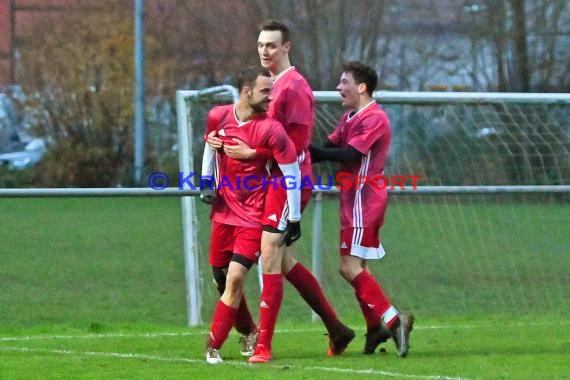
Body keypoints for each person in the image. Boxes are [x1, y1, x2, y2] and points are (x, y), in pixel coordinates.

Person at [220, 20, 354, 363]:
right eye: (261, 44)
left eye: (272, 45)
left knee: (270, 256)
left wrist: (254, 154)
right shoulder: (267, 84)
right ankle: (337, 329)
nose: (265, 50)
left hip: (289, 181)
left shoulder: (293, 87)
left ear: (287, 48)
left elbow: (295, 147)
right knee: (282, 260)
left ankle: (262, 345)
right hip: (268, 182)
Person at [309, 61, 414, 357]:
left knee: (348, 267)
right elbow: (326, 147)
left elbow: (349, 153)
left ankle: (394, 321)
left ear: (362, 87)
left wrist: (305, 151)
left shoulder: (375, 118)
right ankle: (375, 326)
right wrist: (292, 150)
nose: (339, 87)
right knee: (359, 269)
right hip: (353, 200)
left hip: (363, 200)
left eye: (344, 82)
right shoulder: (349, 117)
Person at [201, 65, 302, 364]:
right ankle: (247, 331)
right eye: (266, 91)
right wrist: (207, 182)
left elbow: (292, 172)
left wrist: (294, 217)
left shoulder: (271, 129)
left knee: (234, 279)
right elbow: (211, 144)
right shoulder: (218, 115)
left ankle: (212, 345)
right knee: (220, 277)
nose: (272, 97)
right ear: (246, 92)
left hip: (253, 215)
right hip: (223, 212)